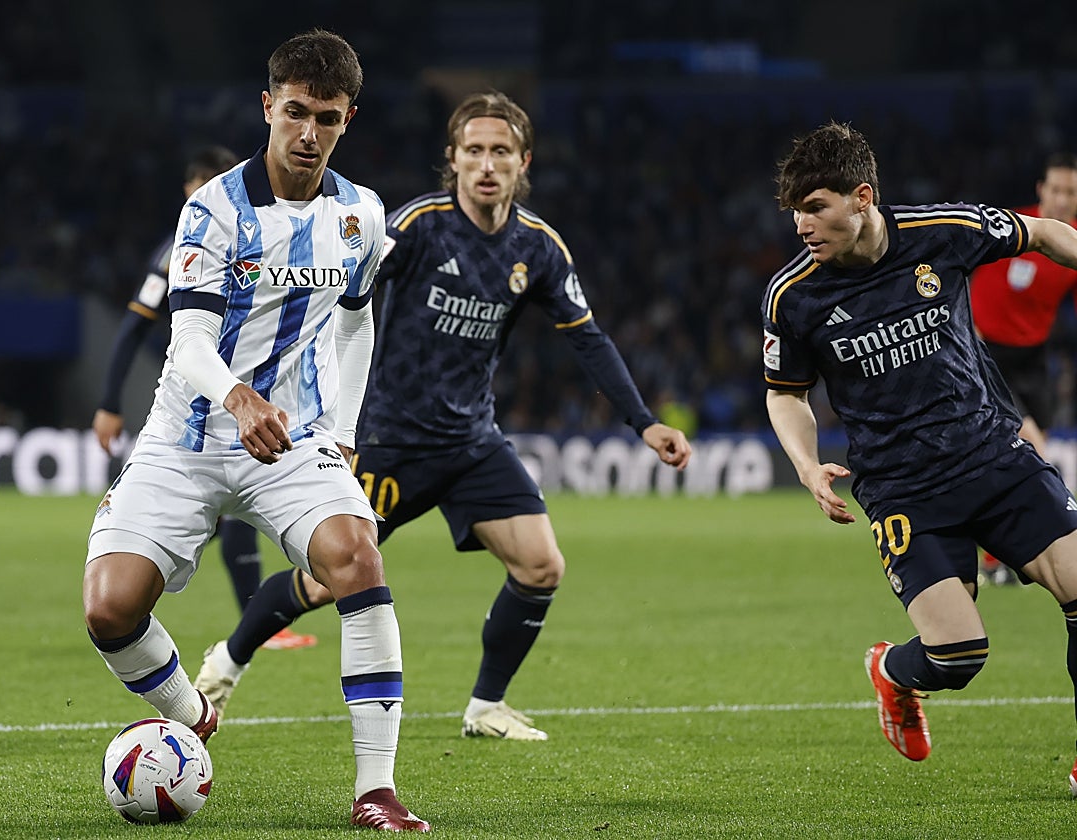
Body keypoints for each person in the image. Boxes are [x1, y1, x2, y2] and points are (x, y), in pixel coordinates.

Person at [192, 90, 692, 742]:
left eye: (501, 152)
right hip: (387, 440)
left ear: (523, 162)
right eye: (474, 152)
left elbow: (586, 336)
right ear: (452, 160)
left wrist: (643, 421)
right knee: (320, 585)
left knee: (542, 565)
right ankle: (224, 667)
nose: (487, 165)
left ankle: (486, 706)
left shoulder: (537, 248)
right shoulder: (417, 227)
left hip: (471, 442)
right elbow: (341, 296)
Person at [81, 29, 429, 832]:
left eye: (329, 119)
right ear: (268, 107)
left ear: (349, 120)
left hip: (295, 438)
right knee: (108, 609)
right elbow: (189, 341)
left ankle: (375, 790)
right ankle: (190, 712)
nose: (310, 134)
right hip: (187, 437)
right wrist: (240, 400)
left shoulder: (360, 216)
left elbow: (356, 321)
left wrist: (341, 429)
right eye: (297, 113)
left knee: (358, 558)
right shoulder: (211, 210)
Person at [763, 121, 1077, 792]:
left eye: (815, 207)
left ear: (862, 196)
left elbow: (1045, 232)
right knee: (960, 656)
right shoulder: (794, 296)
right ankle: (892, 673)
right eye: (795, 212)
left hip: (995, 455)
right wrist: (806, 463)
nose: (801, 226)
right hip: (904, 489)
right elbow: (785, 393)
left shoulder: (945, 230)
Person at [91, 145, 317, 650]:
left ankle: (255, 626)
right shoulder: (178, 250)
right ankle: (250, 625)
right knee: (217, 517)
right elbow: (131, 328)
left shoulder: (272, 237)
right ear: (191, 190)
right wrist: (108, 402)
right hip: (193, 405)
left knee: (229, 518)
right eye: (206, 187)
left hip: (253, 398)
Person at [968, 153, 1077, 585]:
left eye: (1071, 192)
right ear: (1041, 190)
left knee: (1019, 459)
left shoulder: (1072, 244)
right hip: (987, 354)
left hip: (1034, 358)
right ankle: (1036, 547)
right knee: (1029, 446)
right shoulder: (1012, 229)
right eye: (1057, 189)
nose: (1063, 199)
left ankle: (996, 555)